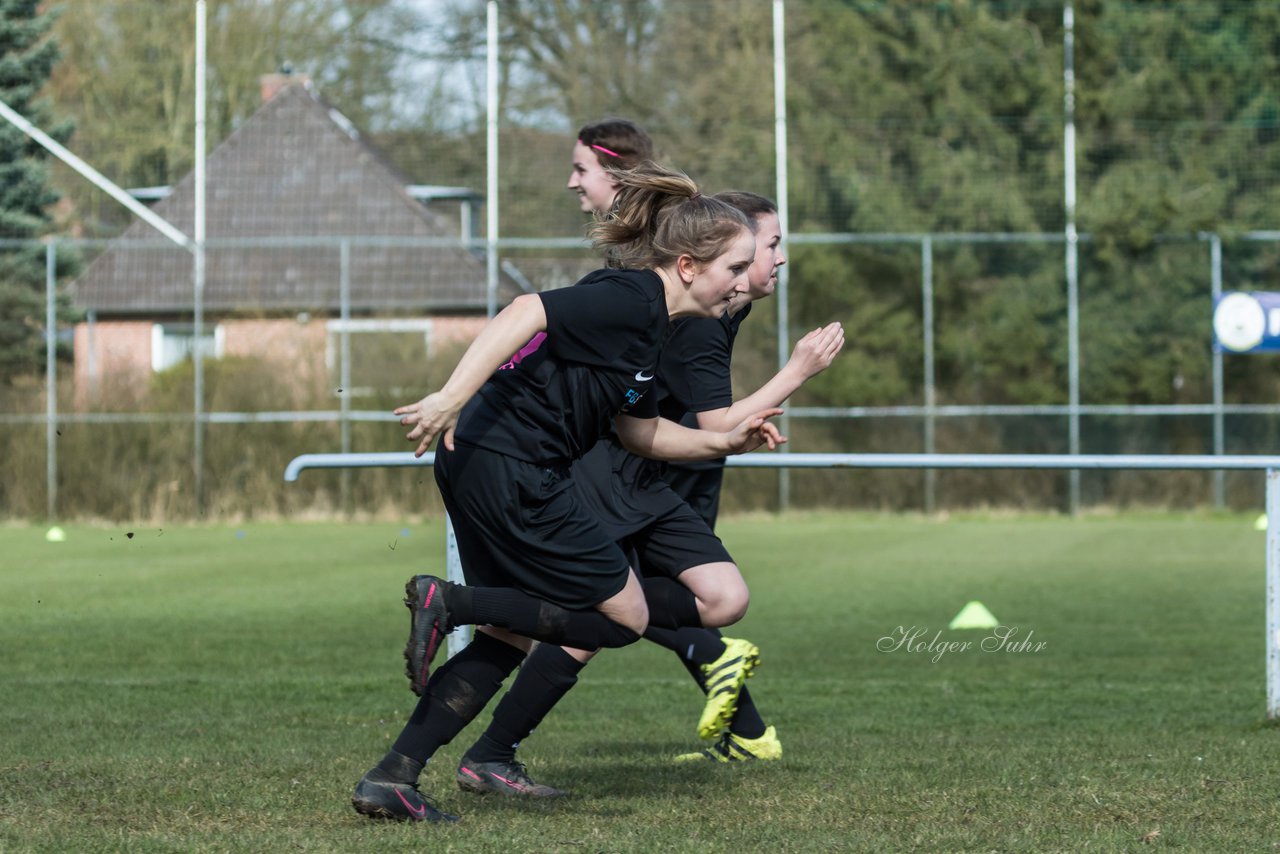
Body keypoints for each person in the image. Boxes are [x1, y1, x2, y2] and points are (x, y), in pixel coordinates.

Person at [350, 162, 786, 822]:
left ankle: (393, 776)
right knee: (626, 618)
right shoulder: (631, 299)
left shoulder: (652, 325)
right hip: (514, 464)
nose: (740, 284)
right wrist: (449, 396)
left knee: (509, 633)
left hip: (490, 463)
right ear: (691, 266)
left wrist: (726, 442)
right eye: (735, 267)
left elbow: (641, 433)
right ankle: (453, 601)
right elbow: (527, 310)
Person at [444, 131, 844, 799]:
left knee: (718, 598)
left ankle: (702, 661)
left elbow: (688, 428)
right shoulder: (692, 315)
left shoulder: (716, 306)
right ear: (721, 257)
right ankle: (492, 747)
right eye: (768, 247)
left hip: (650, 475)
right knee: (595, 620)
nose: (774, 261)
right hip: (606, 474)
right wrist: (796, 373)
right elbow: (709, 421)